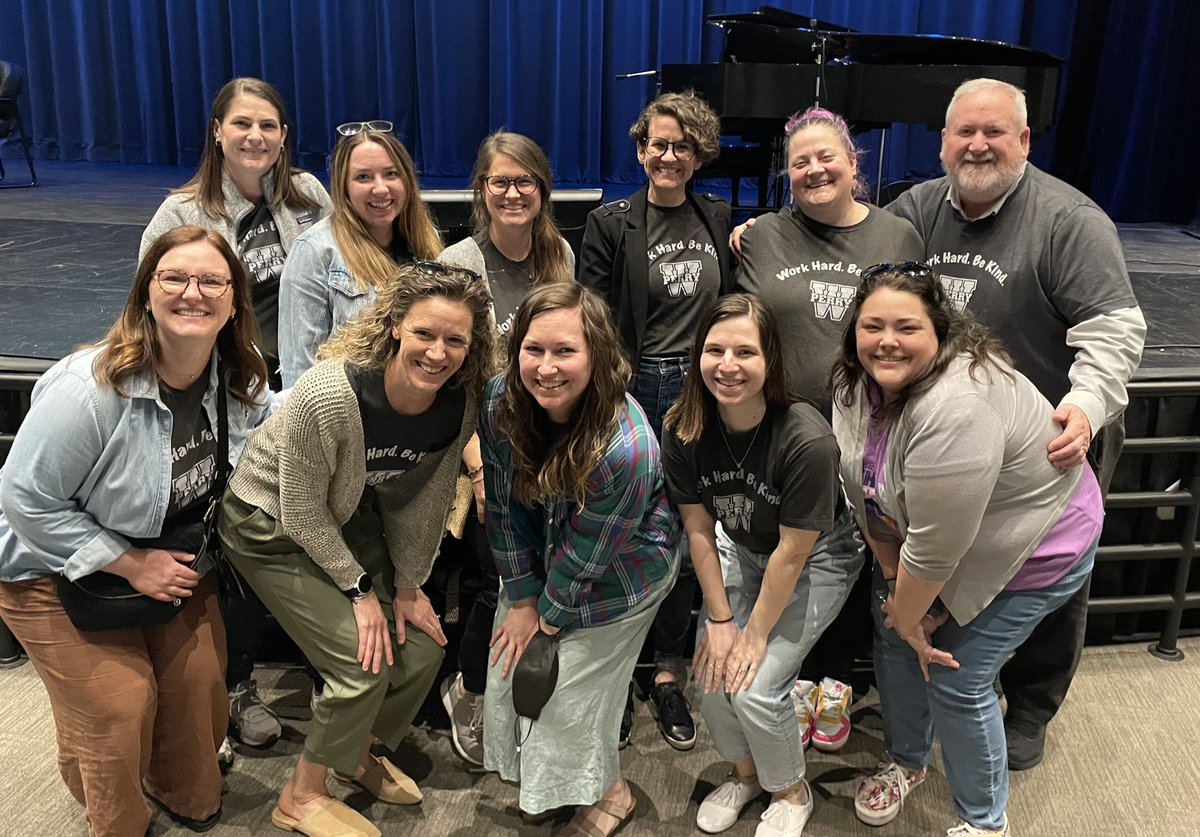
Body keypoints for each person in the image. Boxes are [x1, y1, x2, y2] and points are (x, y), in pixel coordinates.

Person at [884, 78, 1146, 769]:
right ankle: (958, 680)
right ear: (941, 141)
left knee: (1051, 575)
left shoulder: (1069, 220)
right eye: (964, 132)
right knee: (954, 556)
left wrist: (1086, 408)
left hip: (1053, 438)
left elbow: (1116, 331)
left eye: (994, 132)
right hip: (959, 438)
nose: (977, 145)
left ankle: (1030, 707)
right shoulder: (915, 210)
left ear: (1024, 140)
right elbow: (863, 257)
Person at [0, 225, 271, 836]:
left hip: (165, 555)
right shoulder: (90, 388)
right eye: (174, 278)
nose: (193, 293)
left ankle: (171, 785)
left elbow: (283, 433)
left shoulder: (237, 381)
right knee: (121, 704)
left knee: (202, 687)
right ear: (146, 293)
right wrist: (128, 564)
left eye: (212, 281)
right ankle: (114, 814)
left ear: (234, 301)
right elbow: (23, 499)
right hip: (46, 565)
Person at [218, 262, 494, 837]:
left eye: (454, 340)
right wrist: (360, 590)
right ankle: (300, 796)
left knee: (420, 650)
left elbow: (424, 497)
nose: (438, 353)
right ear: (396, 325)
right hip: (267, 519)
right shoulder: (329, 395)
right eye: (424, 333)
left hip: (344, 514)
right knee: (360, 662)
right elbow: (299, 510)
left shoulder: (458, 402)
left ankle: (357, 752)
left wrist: (411, 587)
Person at [831, 262, 1103, 837]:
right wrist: (894, 590)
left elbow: (934, 551)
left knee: (956, 675)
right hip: (943, 539)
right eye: (871, 325)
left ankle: (983, 822)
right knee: (894, 630)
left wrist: (912, 616)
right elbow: (865, 489)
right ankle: (908, 761)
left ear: (940, 331)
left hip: (1039, 545)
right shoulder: (855, 383)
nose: (886, 341)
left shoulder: (960, 404)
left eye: (906, 327)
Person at [139, 77, 331, 757]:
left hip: (298, 389)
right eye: (243, 124)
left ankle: (321, 666)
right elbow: (155, 315)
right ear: (217, 130)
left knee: (299, 524)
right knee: (233, 535)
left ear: (284, 136)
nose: (257, 138)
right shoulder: (179, 214)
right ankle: (235, 689)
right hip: (223, 397)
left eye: (270, 126)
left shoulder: (307, 199)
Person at [734, 107, 925, 744]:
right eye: (799, 162)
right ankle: (791, 683)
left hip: (871, 433)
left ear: (853, 164)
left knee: (861, 555)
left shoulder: (897, 238)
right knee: (794, 558)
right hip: (785, 433)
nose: (814, 170)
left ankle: (838, 684)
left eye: (826, 158)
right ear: (786, 173)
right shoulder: (761, 237)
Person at [479, 283, 679, 836]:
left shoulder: (625, 447)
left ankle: (611, 793)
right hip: (545, 551)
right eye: (533, 349)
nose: (546, 368)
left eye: (565, 351)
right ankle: (557, 781)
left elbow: (586, 559)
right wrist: (520, 597)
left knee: (567, 694)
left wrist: (543, 620)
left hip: (621, 572)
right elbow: (501, 506)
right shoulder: (499, 401)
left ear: (597, 354)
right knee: (506, 677)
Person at [660, 295, 863, 837]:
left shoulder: (805, 437)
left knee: (754, 684)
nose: (728, 365)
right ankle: (748, 775)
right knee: (711, 674)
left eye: (745, 351)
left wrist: (753, 634)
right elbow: (700, 530)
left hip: (818, 555)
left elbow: (794, 552)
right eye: (715, 349)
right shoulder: (684, 426)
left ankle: (791, 791)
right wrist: (723, 623)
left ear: (770, 360)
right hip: (739, 545)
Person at [579, 89, 733, 751]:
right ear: (641, 151)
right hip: (633, 386)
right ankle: (614, 672)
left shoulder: (720, 215)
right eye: (657, 144)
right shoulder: (612, 223)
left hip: (701, 391)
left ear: (699, 156)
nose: (668, 155)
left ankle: (668, 670)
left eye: (682, 146)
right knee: (625, 526)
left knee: (682, 528)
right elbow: (594, 317)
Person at [435, 129, 574, 767]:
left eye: (525, 181)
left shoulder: (559, 258)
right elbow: (454, 377)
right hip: (481, 450)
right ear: (482, 191)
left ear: (542, 190)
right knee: (496, 583)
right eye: (500, 182)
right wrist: (481, 470)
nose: (513, 192)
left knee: (535, 579)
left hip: (541, 448)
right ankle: (467, 689)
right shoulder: (459, 263)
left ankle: (518, 693)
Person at [279, 121, 443, 388]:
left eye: (391, 174)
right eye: (363, 177)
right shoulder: (314, 252)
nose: (380, 189)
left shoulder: (428, 242)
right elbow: (299, 373)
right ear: (343, 187)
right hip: (346, 419)